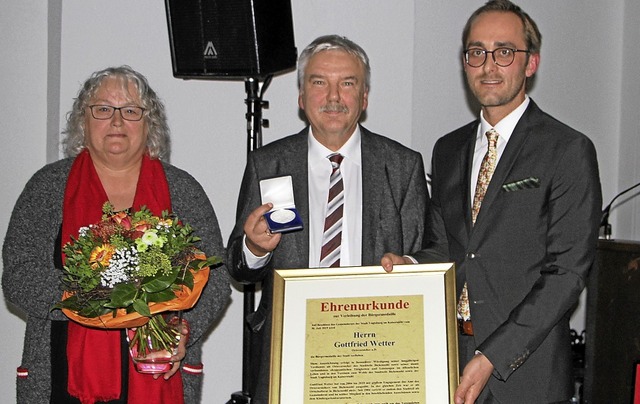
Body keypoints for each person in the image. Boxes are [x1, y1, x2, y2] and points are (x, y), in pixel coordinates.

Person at [382, 1, 602, 402]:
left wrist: (491, 356)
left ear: (530, 63)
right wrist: (410, 265)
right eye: (476, 52)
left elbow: (567, 273)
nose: (489, 65)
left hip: (525, 374)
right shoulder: (447, 150)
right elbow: (449, 248)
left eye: (504, 51)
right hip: (449, 360)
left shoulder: (567, 149)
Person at [2, 66, 231, 403]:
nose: (118, 121)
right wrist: (97, 299)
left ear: (149, 123)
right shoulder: (47, 187)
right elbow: (19, 274)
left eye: (131, 111)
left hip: (158, 366)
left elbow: (216, 277)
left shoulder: (183, 189)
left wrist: (185, 330)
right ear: (84, 119)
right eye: (104, 109)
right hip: (60, 379)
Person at [227, 34, 429, 403]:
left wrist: (408, 265)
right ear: (302, 98)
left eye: (347, 84)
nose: (334, 97)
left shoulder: (402, 166)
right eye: (320, 83)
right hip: (289, 349)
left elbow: (427, 254)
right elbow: (238, 268)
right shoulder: (268, 163)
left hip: (377, 353)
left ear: (364, 98)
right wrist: (255, 247)